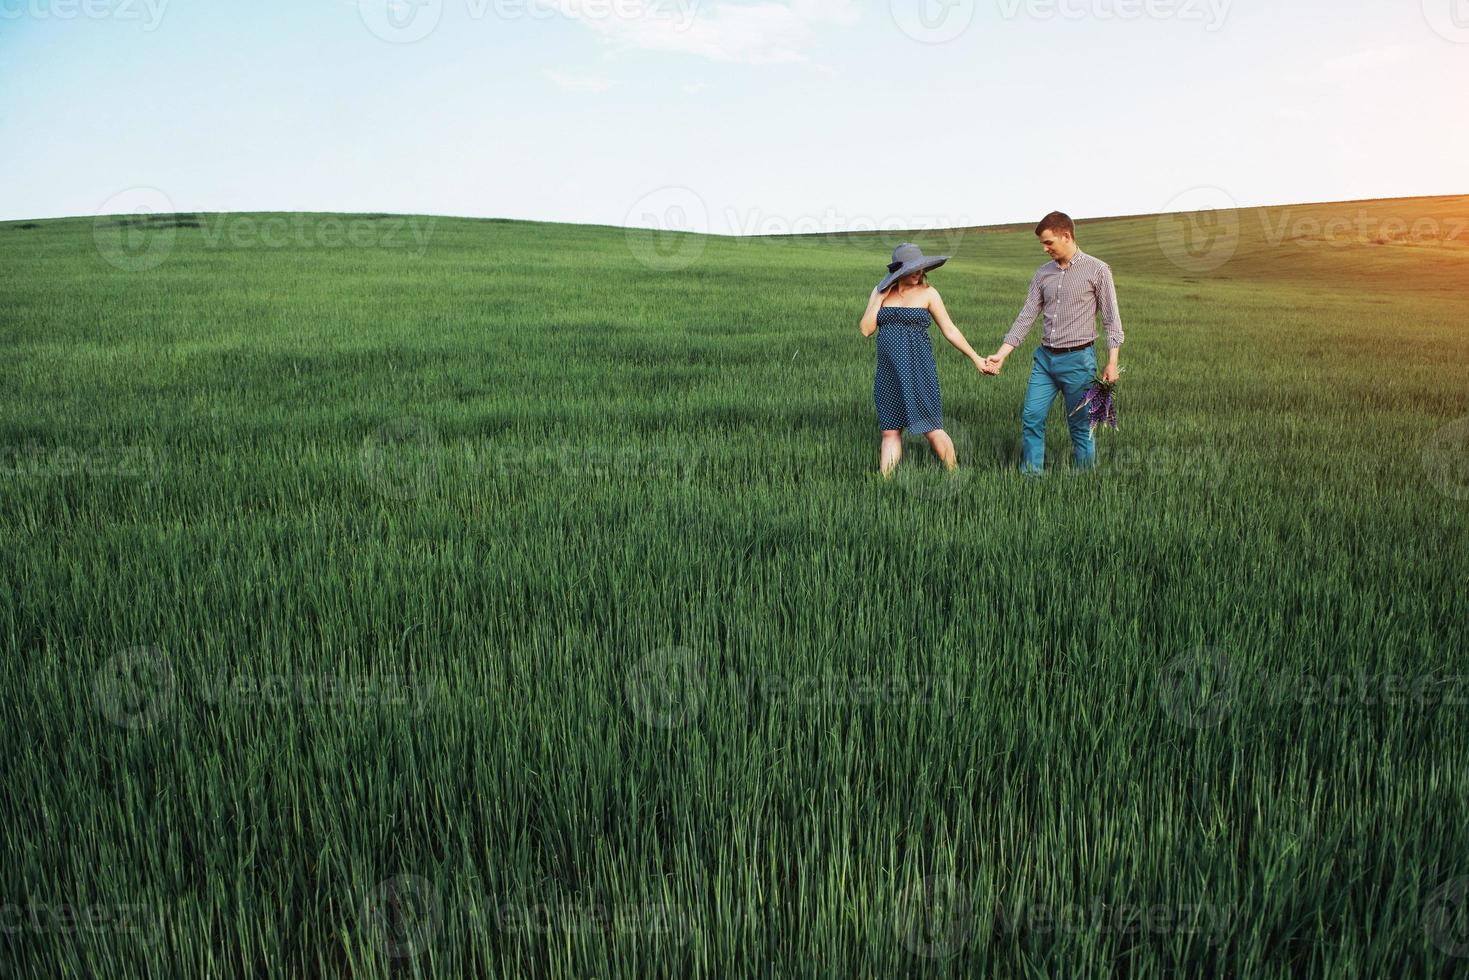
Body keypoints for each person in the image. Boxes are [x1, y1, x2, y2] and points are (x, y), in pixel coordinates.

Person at [980, 212, 1124, 476]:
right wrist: (1002, 354)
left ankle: (1085, 482)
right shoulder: (1042, 274)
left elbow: (1111, 320)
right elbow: (1026, 316)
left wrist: (1112, 362)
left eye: (1049, 243)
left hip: (1079, 360)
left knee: (1080, 426)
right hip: (1044, 361)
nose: (1045, 249)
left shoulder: (1097, 270)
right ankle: (1031, 477)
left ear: (1066, 236)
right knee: (1032, 418)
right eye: (1043, 244)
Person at [859, 243, 989, 478]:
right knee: (890, 431)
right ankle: (885, 481)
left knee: (932, 428)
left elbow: (949, 329)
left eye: (920, 268)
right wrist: (879, 298)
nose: (919, 273)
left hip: (919, 369)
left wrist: (976, 358)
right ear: (898, 272)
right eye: (912, 270)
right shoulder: (879, 291)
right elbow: (866, 330)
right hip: (889, 372)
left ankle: (954, 473)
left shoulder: (929, 294)